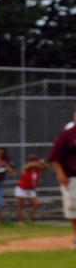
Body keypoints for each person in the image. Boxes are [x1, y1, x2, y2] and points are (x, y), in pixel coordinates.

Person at [51, 106, 76, 247]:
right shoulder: (67, 135)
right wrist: (61, 174)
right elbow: (55, 157)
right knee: (74, 208)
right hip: (73, 177)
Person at [16, 154, 47, 222]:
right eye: (31, 160)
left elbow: (46, 168)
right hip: (22, 188)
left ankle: (29, 218)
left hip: (30, 189)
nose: (33, 162)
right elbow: (26, 167)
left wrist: (43, 163)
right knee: (21, 205)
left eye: (35, 160)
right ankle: (21, 221)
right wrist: (34, 164)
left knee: (36, 204)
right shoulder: (27, 168)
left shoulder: (37, 169)